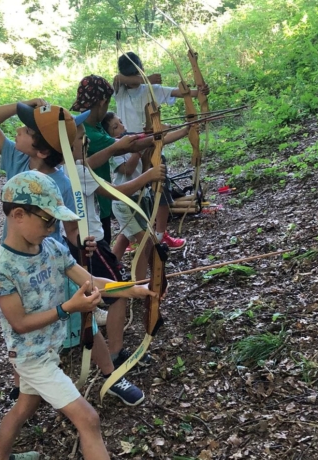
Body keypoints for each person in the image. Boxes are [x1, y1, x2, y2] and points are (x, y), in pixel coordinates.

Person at [0, 102, 144, 406]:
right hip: (18, 263)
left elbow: (70, 230)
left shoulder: (63, 181)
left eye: (27, 130)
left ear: (42, 151)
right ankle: (22, 387)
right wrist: (20, 105)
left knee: (86, 322)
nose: (19, 130)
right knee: (19, 329)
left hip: (53, 261)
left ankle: (111, 374)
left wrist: (83, 243)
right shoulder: (17, 158)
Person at [0, 170, 159, 460]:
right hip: (31, 357)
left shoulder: (52, 247)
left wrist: (130, 288)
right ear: (18, 215)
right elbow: (19, 323)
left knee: (24, 408)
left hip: (48, 349)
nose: (53, 226)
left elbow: (88, 280)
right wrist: (68, 308)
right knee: (88, 419)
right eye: (47, 219)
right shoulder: (1, 269)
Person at [70, 76, 187, 367]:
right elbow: (113, 183)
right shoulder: (76, 169)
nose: (85, 141)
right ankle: (114, 354)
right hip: (88, 240)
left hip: (82, 239)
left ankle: (95, 346)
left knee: (93, 288)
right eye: (79, 139)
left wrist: (164, 134)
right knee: (116, 291)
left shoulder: (69, 166)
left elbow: (104, 156)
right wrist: (147, 175)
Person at [113, 51, 210, 250]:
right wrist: (145, 78)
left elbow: (178, 93)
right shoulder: (120, 91)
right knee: (134, 194)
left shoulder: (151, 89)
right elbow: (117, 79)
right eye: (134, 74)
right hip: (128, 148)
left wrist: (198, 92)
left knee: (161, 192)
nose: (137, 79)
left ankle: (160, 234)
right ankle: (136, 235)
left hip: (153, 145)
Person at [102, 111, 194, 281]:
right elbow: (128, 170)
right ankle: (140, 282)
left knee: (124, 239)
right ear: (108, 136)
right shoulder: (115, 150)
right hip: (125, 202)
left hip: (138, 199)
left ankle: (107, 274)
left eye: (121, 122)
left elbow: (159, 141)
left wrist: (184, 130)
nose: (122, 126)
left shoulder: (133, 142)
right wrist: (138, 149)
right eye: (115, 127)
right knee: (146, 243)